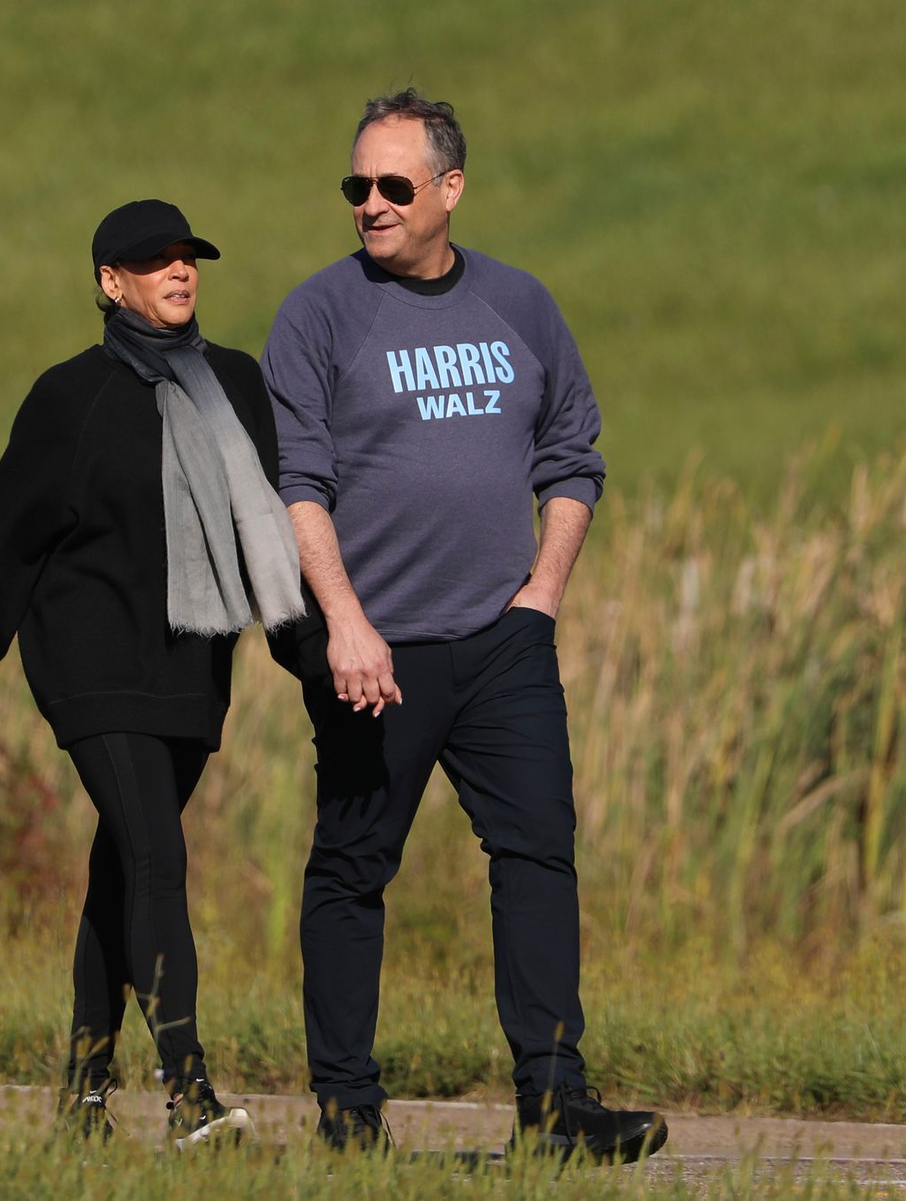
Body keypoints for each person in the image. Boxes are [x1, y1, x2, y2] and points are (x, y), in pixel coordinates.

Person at [262, 90, 668, 1161]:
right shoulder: (317, 315)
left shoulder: (520, 306)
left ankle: (556, 1105)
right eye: (357, 185)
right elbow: (296, 482)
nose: (371, 204)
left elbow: (573, 452)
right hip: (374, 645)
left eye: (395, 185)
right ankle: (350, 1116)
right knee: (354, 867)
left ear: (450, 190)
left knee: (538, 852)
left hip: (502, 642)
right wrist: (342, 621)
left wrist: (542, 596)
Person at [0, 199, 303, 1147]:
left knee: (122, 872)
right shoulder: (68, 398)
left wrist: (322, 661)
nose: (179, 272)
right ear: (109, 281)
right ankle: (190, 1093)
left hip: (190, 666)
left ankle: (84, 1098)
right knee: (157, 858)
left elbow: (278, 541)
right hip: (90, 665)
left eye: (189, 257)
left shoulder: (237, 385)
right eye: (155, 260)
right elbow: (1, 548)